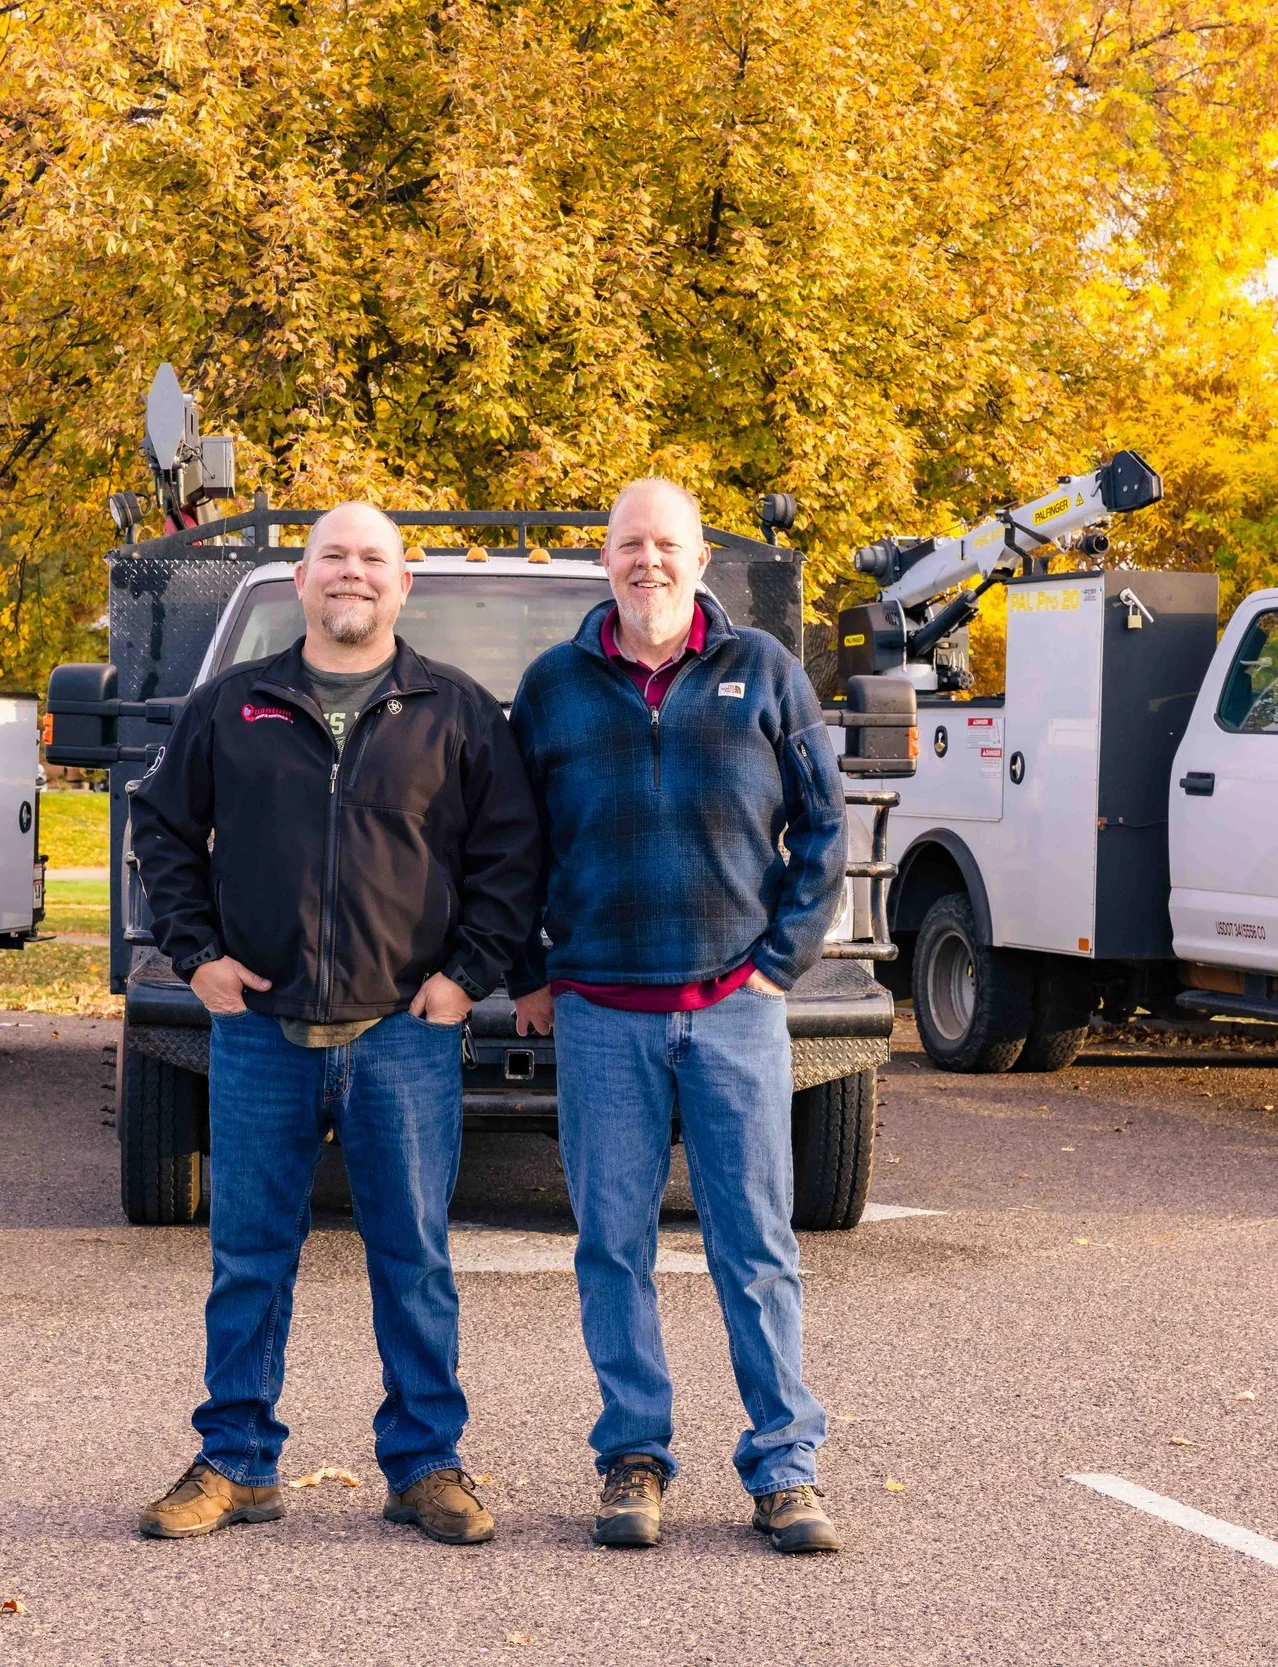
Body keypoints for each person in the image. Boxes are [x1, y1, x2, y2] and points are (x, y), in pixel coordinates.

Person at [129, 501, 540, 1545]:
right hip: (262, 1029)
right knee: (249, 1253)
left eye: (372, 560)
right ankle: (236, 1461)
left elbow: (508, 858)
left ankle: (425, 1464)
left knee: (412, 1256)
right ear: (302, 581)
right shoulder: (234, 703)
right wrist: (196, 955)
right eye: (332, 558)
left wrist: (465, 976)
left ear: (403, 586)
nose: (350, 575)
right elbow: (165, 827)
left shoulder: (457, 712)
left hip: (402, 1031)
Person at [509, 477, 848, 1555]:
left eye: (666, 543)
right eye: (627, 544)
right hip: (601, 1012)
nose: (646, 560)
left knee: (754, 1243)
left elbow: (825, 829)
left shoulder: (765, 675)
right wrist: (528, 971)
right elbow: (511, 847)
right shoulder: (554, 687)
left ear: (703, 559)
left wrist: (778, 964)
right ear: (601, 559)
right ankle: (632, 1456)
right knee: (613, 1245)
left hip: (732, 1009)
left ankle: (784, 1467)